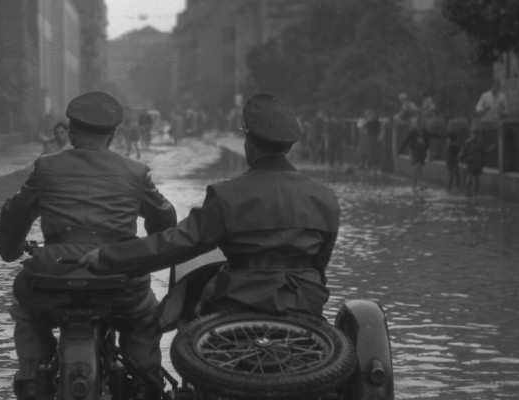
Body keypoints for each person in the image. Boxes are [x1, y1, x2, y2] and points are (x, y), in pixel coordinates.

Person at [79, 92, 340, 319]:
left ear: (248, 144)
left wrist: (109, 257)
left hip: (240, 303)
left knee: (188, 321)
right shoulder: (326, 198)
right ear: (289, 147)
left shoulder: (228, 196)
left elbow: (178, 244)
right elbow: (319, 263)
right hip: (306, 304)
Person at [0, 91, 178, 400]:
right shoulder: (135, 172)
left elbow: (16, 212)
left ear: (72, 131)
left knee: (27, 311)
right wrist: (144, 253)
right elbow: (165, 218)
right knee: (144, 317)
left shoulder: (46, 167)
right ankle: (144, 382)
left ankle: (30, 376)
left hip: (51, 278)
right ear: (113, 134)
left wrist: (10, 251)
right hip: (118, 278)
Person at [459, 128, 495, 198]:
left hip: (478, 163)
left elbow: (483, 153)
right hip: (471, 162)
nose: (475, 136)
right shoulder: (467, 143)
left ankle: (476, 194)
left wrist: (490, 149)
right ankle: (468, 192)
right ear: (471, 134)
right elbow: (462, 153)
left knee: (477, 179)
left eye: (476, 134)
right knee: (469, 178)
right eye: (474, 134)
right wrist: (461, 161)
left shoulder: (479, 143)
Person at [397, 117, 431, 189]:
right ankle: (418, 184)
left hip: (422, 153)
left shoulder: (425, 132)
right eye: (422, 124)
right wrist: (400, 150)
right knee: (417, 167)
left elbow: (431, 137)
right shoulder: (413, 132)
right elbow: (406, 141)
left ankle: (415, 185)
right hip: (414, 152)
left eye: (424, 124)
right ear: (418, 124)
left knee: (418, 169)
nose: (423, 125)